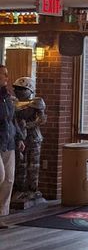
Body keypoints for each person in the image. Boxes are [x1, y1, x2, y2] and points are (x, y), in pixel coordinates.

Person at [13, 76, 46, 204]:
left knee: (33, 165)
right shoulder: (13, 102)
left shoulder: (37, 102)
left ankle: (32, 190)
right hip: (18, 137)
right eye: (17, 88)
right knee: (20, 164)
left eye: (22, 89)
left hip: (33, 137)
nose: (18, 91)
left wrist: (27, 125)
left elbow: (41, 119)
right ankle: (20, 189)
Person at [0, 65, 24, 216]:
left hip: (9, 141)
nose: (6, 77)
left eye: (6, 74)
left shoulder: (7, 97)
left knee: (9, 179)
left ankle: (1, 213)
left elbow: (12, 120)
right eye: (3, 74)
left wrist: (19, 137)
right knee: (0, 175)